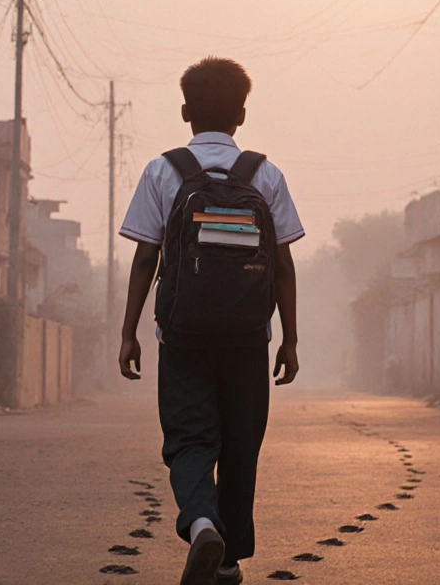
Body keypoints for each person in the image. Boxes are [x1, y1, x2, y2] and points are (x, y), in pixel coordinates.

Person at [118, 57, 305, 585]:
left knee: (188, 438)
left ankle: (202, 522)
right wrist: (289, 340)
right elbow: (284, 264)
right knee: (241, 445)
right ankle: (227, 560)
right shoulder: (265, 174)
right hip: (248, 338)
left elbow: (144, 258)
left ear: (185, 112)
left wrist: (128, 331)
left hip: (182, 337)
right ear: (241, 115)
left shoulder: (162, 171)